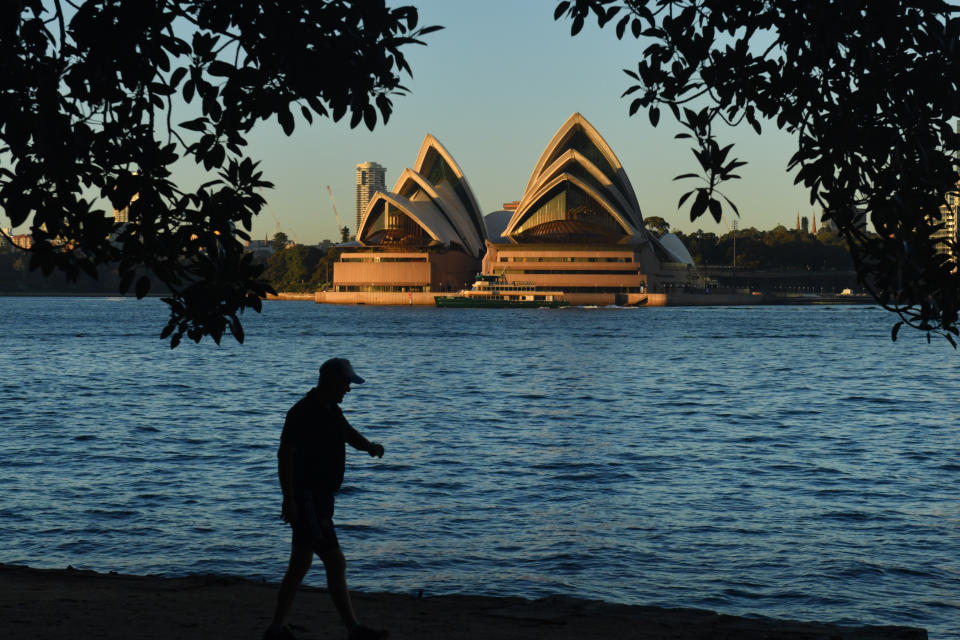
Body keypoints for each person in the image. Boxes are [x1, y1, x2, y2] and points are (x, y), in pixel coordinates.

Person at [263, 358, 388, 640]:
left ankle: (276, 628)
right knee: (334, 561)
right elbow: (286, 455)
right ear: (331, 381)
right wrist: (289, 500)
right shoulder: (302, 412)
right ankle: (353, 629)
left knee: (300, 564)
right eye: (345, 383)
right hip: (308, 497)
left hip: (320, 498)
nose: (348, 389)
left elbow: (348, 434)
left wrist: (369, 447)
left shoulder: (331, 411)